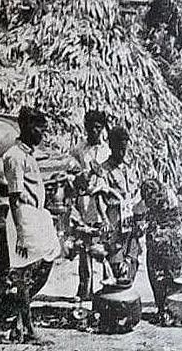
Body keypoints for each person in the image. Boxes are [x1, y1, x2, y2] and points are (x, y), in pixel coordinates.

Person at [3, 106, 61, 342]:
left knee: (48, 257)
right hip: (22, 217)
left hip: (35, 215)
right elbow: (14, 198)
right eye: (38, 128)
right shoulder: (15, 157)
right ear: (26, 126)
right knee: (24, 275)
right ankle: (27, 329)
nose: (41, 134)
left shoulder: (28, 155)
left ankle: (18, 323)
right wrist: (22, 235)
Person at [91, 126, 145, 282]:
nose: (122, 153)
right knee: (115, 264)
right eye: (119, 149)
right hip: (115, 221)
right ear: (111, 146)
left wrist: (141, 218)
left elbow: (137, 194)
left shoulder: (131, 168)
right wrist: (105, 220)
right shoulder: (104, 170)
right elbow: (99, 196)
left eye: (124, 149)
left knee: (132, 260)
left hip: (131, 221)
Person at [69, 110, 112, 299]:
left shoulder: (107, 150)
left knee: (104, 245)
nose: (94, 131)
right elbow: (70, 173)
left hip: (102, 202)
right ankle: (85, 288)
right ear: (86, 128)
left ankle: (106, 287)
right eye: (91, 127)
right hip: (84, 201)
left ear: (102, 128)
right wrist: (82, 178)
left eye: (98, 127)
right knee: (84, 246)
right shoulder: (79, 150)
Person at [141, 179, 182, 325]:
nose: (149, 200)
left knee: (170, 276)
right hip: (156, 243)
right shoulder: (149, 202)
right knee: (155, 276)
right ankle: (161, 309)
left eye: (151, 197)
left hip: (171, 242)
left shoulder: (169, 199)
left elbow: (178, 224)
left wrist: (161, 234)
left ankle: (171, 310)